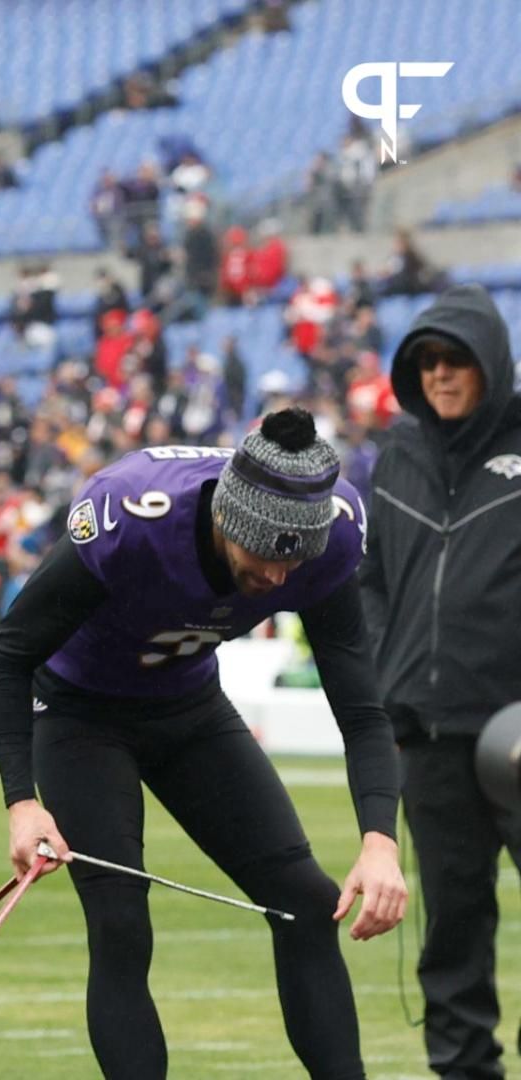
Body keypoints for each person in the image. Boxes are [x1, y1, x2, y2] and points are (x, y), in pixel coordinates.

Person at [0, 408, 408, 1078]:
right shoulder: (135, 516)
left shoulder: (328, 540)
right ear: (225, 523)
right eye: (264, 554)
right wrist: (21, 803)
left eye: (296, 561)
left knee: (303, 900)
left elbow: (361, 706)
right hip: (76, 714)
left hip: (187, 705)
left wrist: (380, 841)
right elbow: (6, 656)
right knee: (121, 924)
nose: (277, 578)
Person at [358, 284, 521, 1080]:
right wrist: (385, 661)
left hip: (518, 727)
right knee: (452, 923)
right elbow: (372, 578)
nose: (440, 374)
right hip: (428, 731)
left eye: (456, 359)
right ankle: (464, 1071)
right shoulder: (399, 455)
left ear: (491, 363)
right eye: (425, 361)